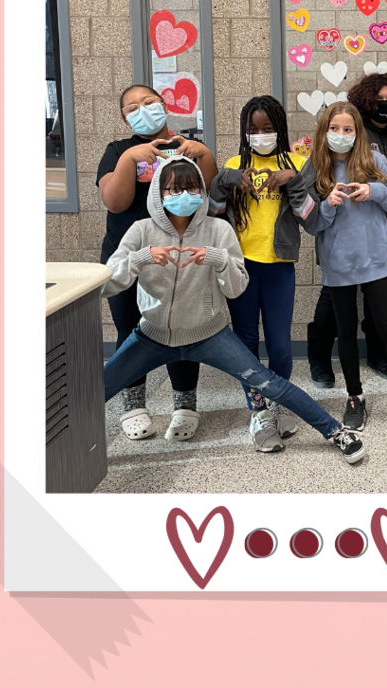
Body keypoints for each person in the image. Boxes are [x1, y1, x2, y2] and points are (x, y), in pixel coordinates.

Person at [101, 156, 364, 464]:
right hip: (152, 336)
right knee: (95, 390)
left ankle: (336, 431)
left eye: (191, 188)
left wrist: (218, 259)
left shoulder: (218, 231)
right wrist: (141, 259)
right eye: (173, 190)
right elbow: (107, 283)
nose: (183, 196)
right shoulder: (141, 231)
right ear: (158, 195)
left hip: (209, 335)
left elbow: (237, 287)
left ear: (202, 191)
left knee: (269, 382)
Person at [96, 84, 218, 441]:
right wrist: (130, 159)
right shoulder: (118, 151)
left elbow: (209, 197)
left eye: (149, 102)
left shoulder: (187, 149)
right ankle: (133, 405)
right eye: (133, 107)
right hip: (129, 255)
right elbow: (114, 202)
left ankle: (185, 404)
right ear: (124, 118)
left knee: (180, 327)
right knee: (128, 327)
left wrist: (205, 155)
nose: (142, 109)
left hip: (178, 255)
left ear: (164, 105)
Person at [303, 102, 387, 434]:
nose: (341, 135)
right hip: (338, 263)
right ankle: (354, 397)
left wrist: (374, 191)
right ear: (323, 131)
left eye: (348, 129)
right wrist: (327, 206)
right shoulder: (314, 168)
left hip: (377, 260)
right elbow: (311, 225)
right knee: (345, 332)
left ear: (358, 133)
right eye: (334, 129)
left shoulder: (375, 161)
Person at [207, 95, 312, 452]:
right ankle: (259, 409)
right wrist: (228, 179)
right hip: (241, 265)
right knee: (246, 344)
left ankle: (278, 399)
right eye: (253, 130)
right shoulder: (236, 163)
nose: (261, 135)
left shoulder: (299, 163)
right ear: (244, 132)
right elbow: (213, 212)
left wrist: (294, 181)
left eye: (268, 129)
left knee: (281, 345)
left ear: (280, 129)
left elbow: (310, 219)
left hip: (279, 266)